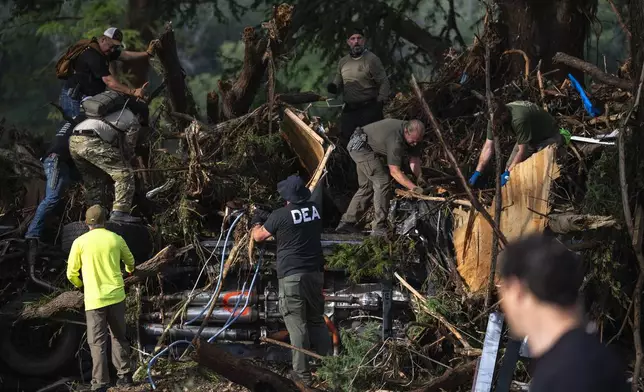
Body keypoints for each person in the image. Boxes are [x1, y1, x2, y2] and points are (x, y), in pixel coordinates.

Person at [497, 234, 628, 392]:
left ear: (517, 290)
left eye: (502, 290)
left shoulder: (566, 375)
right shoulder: (590, 359)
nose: (503, 303)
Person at [251, 175, 331, 386]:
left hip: (292, 277)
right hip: (315, 274)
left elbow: (258, 236)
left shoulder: (280, 215)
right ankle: (332, 371)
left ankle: (302, 377)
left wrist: (257, 221)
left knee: (297, 326)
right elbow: (295, 219)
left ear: (286, 197)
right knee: (316, 321)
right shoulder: (314, 210)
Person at [66, 205, 136, 392]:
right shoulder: (115, 239)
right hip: (116, 296)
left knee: (97, 343)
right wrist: (129, 272)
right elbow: (130, 262)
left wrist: (80, 285)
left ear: (86, 223)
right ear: (105, 221)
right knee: (119, 337)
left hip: (94, 299)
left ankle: (100, 383)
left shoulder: (79, 243)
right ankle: (125, 376)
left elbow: (71, 273)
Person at [336, 119, 426, 237]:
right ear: (406, 132)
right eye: (413, 141)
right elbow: (395, 171)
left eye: (417, 141)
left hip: (364, 146)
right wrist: (414, 188)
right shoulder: (396, 140)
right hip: (360, 147)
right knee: (382, 180)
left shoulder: (413, 135)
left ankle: (347, 222)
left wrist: (420, 177)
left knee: (367, 186)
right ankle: (379, 227)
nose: (415, 144)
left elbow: (414, 161)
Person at [59, 27, 155, 122]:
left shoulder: (104, 51)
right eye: (111, 46)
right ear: (103, 39)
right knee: (73, 127)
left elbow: (125, 56)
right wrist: (133, 92)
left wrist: (147, 54)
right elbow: (109, 81)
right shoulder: (93, 55)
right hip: (74, 98)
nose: (113, 50)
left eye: (116, 47)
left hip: (89, 97)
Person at [468, 100, 563, 187]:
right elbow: (488, 147)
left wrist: (507, 175)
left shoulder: (519, 119)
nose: (495, 124)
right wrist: (478, 171)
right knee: (510, 167)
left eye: (497, 121)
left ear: (504, 115)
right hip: (529, 138)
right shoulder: (493, 119)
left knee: (541, 168)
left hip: (549, 136)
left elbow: (522, 151)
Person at [69, 108, 141, 222]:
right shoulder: (133, 119)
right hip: (91, 141)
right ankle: (120, 213)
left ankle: (95, 218)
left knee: (94, 181)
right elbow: (128, 149)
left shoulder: (112, 113)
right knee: (124, 173)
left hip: (74, 140)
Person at [327, 26, 390, 143]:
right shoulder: (343, 62)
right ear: (348, 42)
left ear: (364, 40)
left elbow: (384, 81)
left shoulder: (372, 59)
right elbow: (338, 81)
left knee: (374, 143)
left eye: (359, 38)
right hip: (350, 111)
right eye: (352, 39)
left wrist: (380, 102)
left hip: (369, 109)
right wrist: (334, 87)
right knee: (347, 143)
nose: (356, 41)